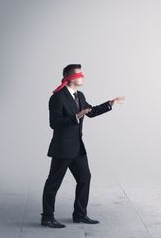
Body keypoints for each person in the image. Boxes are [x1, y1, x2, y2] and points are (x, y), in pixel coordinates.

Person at [41, 64, 125, 228]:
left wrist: (110, 103)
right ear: (71, 78)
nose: (83, 77)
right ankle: (47, 217)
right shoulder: (57, 97)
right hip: (63, 148)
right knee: (53, 183)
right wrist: (76, 116)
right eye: (80, 74)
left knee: (84, 178)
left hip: (77, 148)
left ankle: (79, 215)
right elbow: (54, 123)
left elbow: (90, 112)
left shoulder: (80, 95)